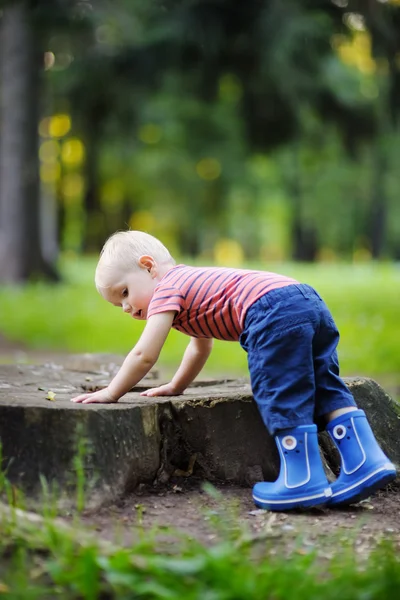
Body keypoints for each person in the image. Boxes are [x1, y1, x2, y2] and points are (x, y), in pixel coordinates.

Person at [71, 230, 396, 511]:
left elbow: (145, 354)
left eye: (125, 293)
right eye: (118, 305)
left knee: (278, 387)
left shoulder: (167, 288)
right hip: (306, 299)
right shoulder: (191, 285)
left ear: (148, 266)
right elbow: (201, 346)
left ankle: (303, 478)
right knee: (325, 383)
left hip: (272, 311)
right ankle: (364, 459)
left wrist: (113, 391)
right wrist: (176, 386)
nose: (126, 308)